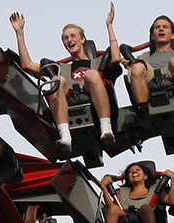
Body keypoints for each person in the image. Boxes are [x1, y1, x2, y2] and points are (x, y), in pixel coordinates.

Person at [9, 3, 122, 152]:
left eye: (73, 36)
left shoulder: (97, 62)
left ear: (83, 40)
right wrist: (19, 33)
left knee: (91, 74)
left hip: (94, 98)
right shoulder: (61, 69)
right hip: (69, 102)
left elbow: (115, 58)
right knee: (57, 80)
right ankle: (65, 136)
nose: (69, 40)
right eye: (65, 38)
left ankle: (106, 128)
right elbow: (27, 65)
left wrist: (109, 26)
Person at [123, 15, 174, 131]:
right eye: (157, 28)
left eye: (165, 27)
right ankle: (144, 118)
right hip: (149, 86)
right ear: (152, 35)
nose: (161, 29)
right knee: (136, 67)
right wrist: (131, 68)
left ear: (172, 35)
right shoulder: (143, 58)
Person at [100, 162, 174, 223]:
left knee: (146, 208)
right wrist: (104, 188)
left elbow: (172, 201)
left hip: (147, 214)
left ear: (145, 176)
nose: (134, 172)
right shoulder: (123, 192)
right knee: (113, 209)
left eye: (137, 170)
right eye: (131, 171)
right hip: (125, 214)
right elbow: (112, 208)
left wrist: (173, 179)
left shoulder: (155, 189)